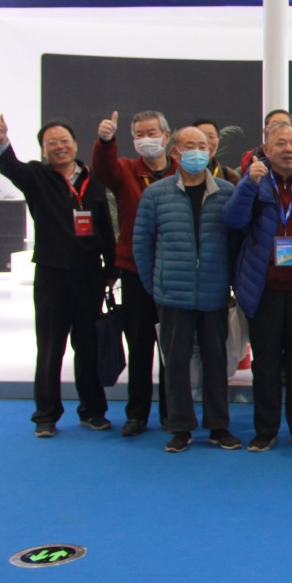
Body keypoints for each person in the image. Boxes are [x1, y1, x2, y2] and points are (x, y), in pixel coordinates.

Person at [0, 115, 116, 437]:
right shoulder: (36, 176)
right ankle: (46, 415)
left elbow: (104, 226)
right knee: (49, 347)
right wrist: (2, 141)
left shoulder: (93, 180)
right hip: (52, 275)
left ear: (75, 144)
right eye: (51, 144)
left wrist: (112, 268)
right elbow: (10, 167)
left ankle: (93, 411)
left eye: (64, 141)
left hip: (89, 276)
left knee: (88, 347)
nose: (59, 147)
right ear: (44, 151)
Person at [132, 126, 239, 452]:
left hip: (214, 293)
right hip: (172, 295)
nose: (197, 152)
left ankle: (218, 426)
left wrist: (231, 285)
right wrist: (156, 286)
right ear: (175, 153)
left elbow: (236, 244)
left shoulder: (226, 192)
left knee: (216, 362)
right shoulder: (156, 194)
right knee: (175, 363)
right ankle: (180, 427)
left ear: (210, 151)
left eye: (202, 146)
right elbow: (142, 245)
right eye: (189, 146)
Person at [224, 124, 292, 452]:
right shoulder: (253, 181)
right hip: (263, 287)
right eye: (280, 143)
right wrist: (247, 184)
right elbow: (233, 221)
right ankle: (265, 430)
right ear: (266, 150)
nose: (288, 149)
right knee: (266, 363)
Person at [91, 109, 178, 438]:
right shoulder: (126, 169)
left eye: (151, 133)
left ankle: (172, 412)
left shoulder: (183, 171)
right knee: (140, 344)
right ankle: (137, 414)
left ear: (166, 136)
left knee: (171, 346)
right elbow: (103, 171)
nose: (146, 139)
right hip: (135, 269)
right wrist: (105, 141)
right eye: (139, 135)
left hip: (173, 270)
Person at [241, 109, 292, 175]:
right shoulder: (249, 157)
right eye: (274, 125)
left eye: (284, 125)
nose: (279, 130)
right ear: (264, 131)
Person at [194, 119, 242, 184]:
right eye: (201, 135)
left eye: (211, 136)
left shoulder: (228, 175)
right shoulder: (180, 172)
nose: (207, 141)